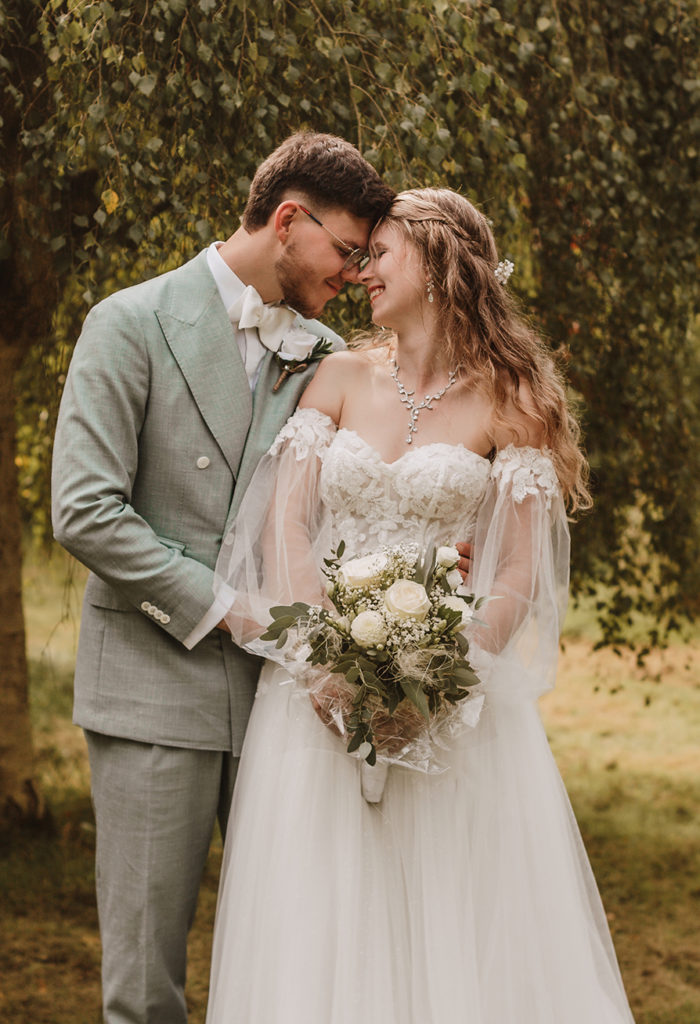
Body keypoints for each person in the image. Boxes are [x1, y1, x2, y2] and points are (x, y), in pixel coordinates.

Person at [204, 188, 636, 1022]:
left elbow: (517, 571)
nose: (362, 272)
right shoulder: (337, 375)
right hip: (315, 707)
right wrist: (324, 662)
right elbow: (286, 523)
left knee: (456, 928)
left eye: (380, 254)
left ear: (438, 263)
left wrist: (439, 679)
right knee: (319, 927)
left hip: (450, 715)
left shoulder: (511, 399)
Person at [51, 132, 396, 1024]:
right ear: (288, 220)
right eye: (346, 250)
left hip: (286, 709)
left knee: (295, 976)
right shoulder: (128, 323)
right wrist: (228, 608)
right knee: (144, 986)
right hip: (150, 693)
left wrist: (418, 565)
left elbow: (356, 498)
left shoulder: (328, 353)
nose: (357, 273)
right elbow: (85, 512)